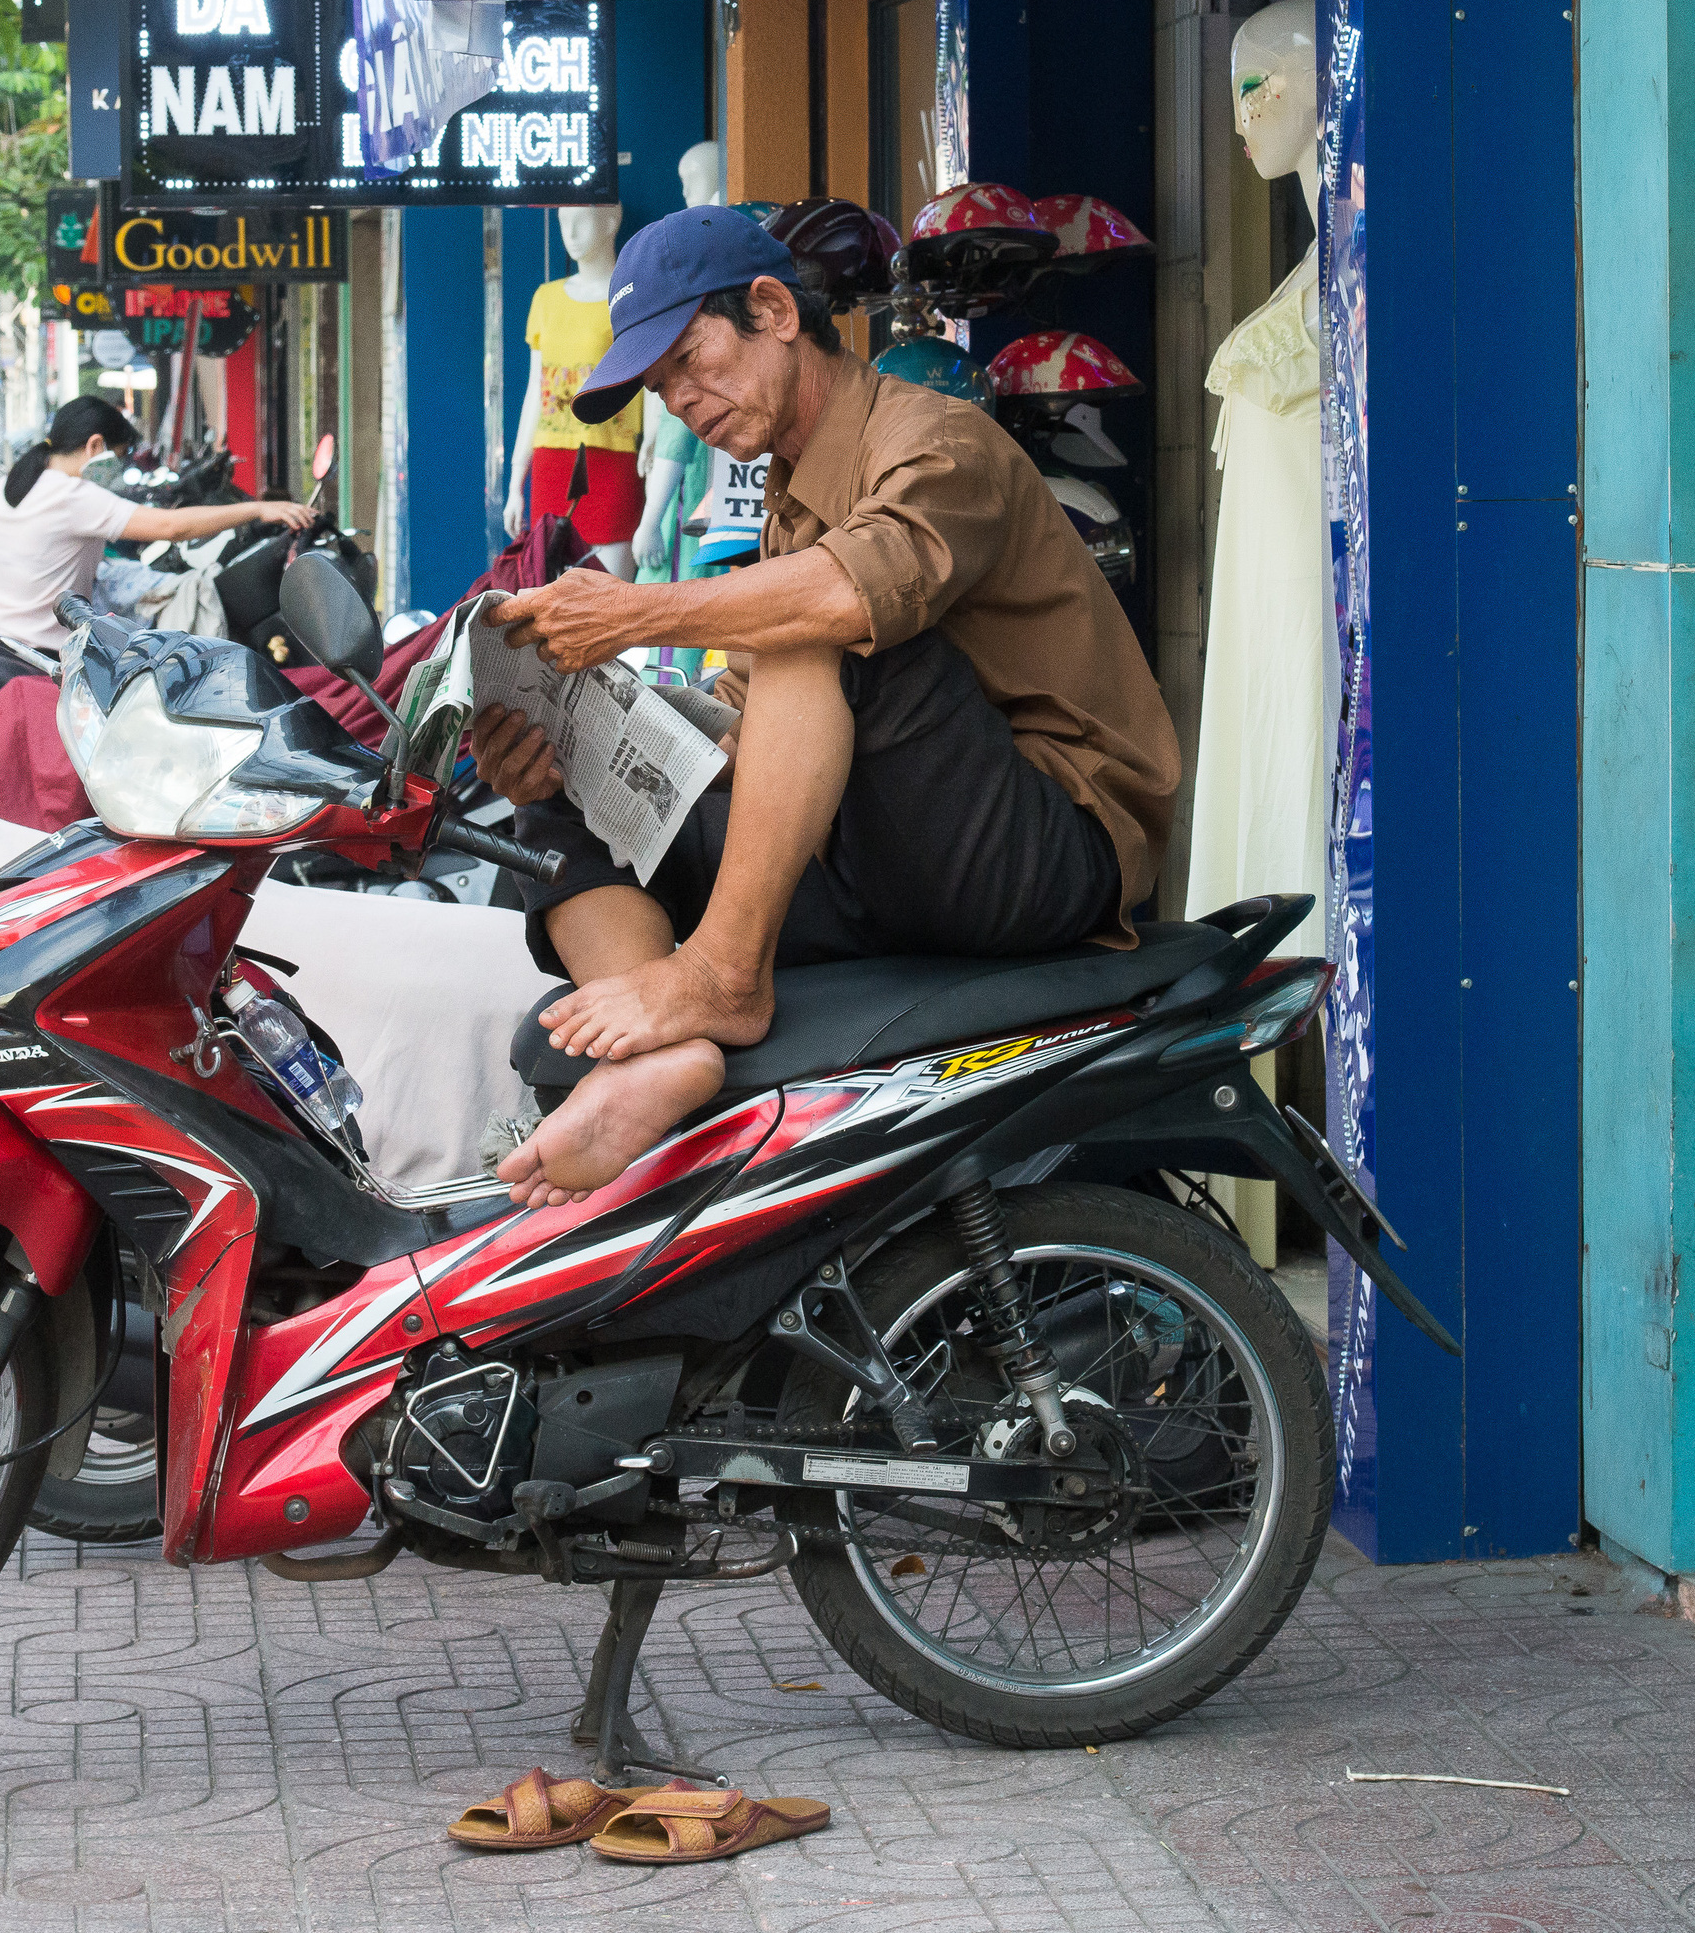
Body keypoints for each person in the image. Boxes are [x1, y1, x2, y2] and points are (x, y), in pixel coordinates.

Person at [470, 206, 1181, 1211]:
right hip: (880, 845)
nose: (680, 401)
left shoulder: (937, 439)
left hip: (1042, 844)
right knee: (562, 783)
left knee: (813, 615)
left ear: (771, 310)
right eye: (661, 386)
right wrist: (582, 724)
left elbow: (844, 598)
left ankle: (718, 976)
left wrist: (631, 612)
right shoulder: (792, 490)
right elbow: (748, 708)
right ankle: (659, 1056)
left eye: (687, 359)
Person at [0, 394, 316, 655]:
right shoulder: (73, 495)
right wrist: (257, 509)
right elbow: (171, 528)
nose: (118, 469)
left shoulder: (11, 484)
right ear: (95, 445)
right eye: (118, 457)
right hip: (29, 653)